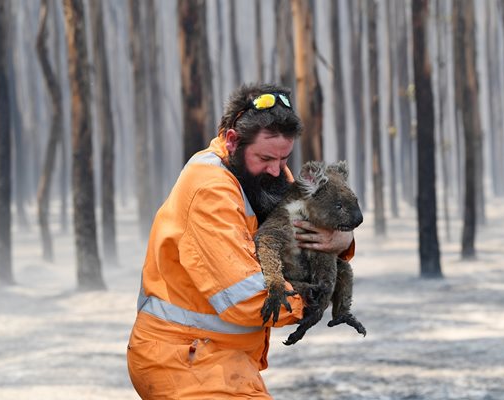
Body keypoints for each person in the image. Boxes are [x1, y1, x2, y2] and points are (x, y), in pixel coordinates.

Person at [126, 83, 355, 399]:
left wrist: (342, 239)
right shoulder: (210, 190)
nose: (277, 170)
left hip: (222, 358)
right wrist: (315, 298)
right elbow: (246, 299)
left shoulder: (265, 174)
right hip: (183, 359)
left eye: (284, 158)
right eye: (266, 158)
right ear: (233, 141)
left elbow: (307, 236)